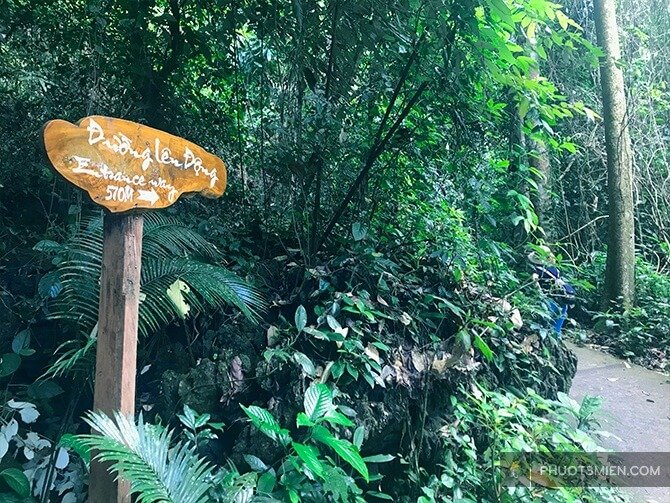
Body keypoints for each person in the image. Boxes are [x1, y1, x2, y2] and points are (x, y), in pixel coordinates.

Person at [528, 247, 576, 336]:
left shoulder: (538, 270)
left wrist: (539, 292)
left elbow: (534, 279)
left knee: (546, 322)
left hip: (549, 300)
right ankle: (556, 338)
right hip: (562, 299)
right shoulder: (555, 269)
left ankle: (545, 338)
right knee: (559, 321)